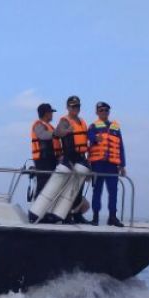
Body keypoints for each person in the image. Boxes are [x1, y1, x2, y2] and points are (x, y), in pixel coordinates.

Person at [87, 101, 126, 227]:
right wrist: (94, 138)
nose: (104, 112)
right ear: (97, 112)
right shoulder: (93, 126)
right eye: (101, 110)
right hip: (98, 164)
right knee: (97, 191)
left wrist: (122, 165)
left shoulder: (116, 127)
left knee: (113, 192)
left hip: (112, 165)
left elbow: (120, 146)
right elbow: (90, 136)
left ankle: (112, 217)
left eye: (106, 110)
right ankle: (95, 217)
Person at [54, 95, 90, 223]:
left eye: (78, 106)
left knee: (78, 188)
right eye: (73, 106)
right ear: (68, 107)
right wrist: (65, 130)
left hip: (81, 157)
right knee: (69, 188)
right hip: (70, 157)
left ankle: (77, 214)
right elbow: (57, 133)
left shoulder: (83, 122)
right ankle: (67, 215)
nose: (76, 108)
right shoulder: (65, 120)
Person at [30, 102, 63, 195]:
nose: (52, 114)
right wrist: (55, 133)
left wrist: (61, 155)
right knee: (43, 184)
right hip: (43, 159)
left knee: (50, 185)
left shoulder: (51, 127)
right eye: (51, 112)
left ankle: (46, 208)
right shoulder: (38, 124)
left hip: (52, 160)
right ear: (46, 113)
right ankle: (37, 207)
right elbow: (42, 135)